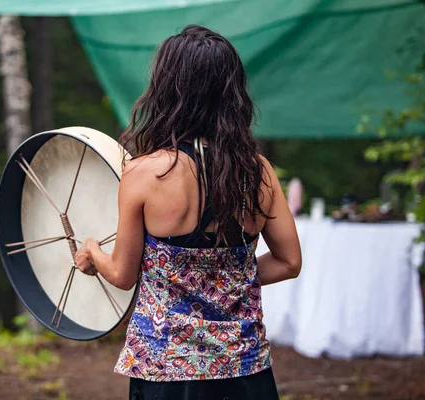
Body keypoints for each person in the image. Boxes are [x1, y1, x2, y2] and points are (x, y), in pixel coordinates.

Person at [75, 25, 302, 400]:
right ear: (231, 92)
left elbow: (122, 274)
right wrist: (228, 281)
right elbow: (289, 262)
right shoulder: (258, 171)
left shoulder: (144, 174)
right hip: (244, 370)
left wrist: (91, 254)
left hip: (165, 371)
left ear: (166, 90)